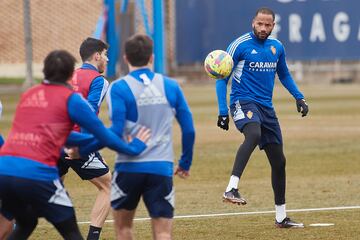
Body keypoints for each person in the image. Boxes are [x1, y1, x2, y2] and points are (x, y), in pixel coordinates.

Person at [0, 50, 150, 239]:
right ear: (70, 74)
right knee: (71, 232)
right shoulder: (71, 99)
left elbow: (58, 135)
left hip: (4, 170)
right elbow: (103, 135)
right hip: (35, 174)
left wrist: (88, 144)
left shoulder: (29, 94)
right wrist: (134, 147)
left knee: (27, 222)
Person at [86, 34, 195, 239]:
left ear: (126, 58)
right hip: (161, 168)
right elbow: (189, 129)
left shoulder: (118, 88)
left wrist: (83, 148)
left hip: (128, 169)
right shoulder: (171, 86)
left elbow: (115, 131)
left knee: (124, 229)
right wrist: (185, 162)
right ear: (151, 58)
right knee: (163, 232)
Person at [216, 7, 308, 228]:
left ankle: (281, 217)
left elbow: (284, 74)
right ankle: (231, 188)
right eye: (260, 24)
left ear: (273, 26)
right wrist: (222, 111)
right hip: (242, 101)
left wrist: (299, 97)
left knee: (279, 162)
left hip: (267, 109)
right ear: (253, 23)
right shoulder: (239, 45)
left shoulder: (277, 47)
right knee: (253, 133)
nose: (263, 28)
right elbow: (221, 79)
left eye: (268, 25)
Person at [57, 37, 111, 240]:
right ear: (97, 55)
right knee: (108, 187)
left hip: (54, 141)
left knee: (49, 188)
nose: (107, 59)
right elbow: (88, 113)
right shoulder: (99, 81)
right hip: (76, 144)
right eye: (105, 55)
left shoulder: (67, 76)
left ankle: (15, 223)